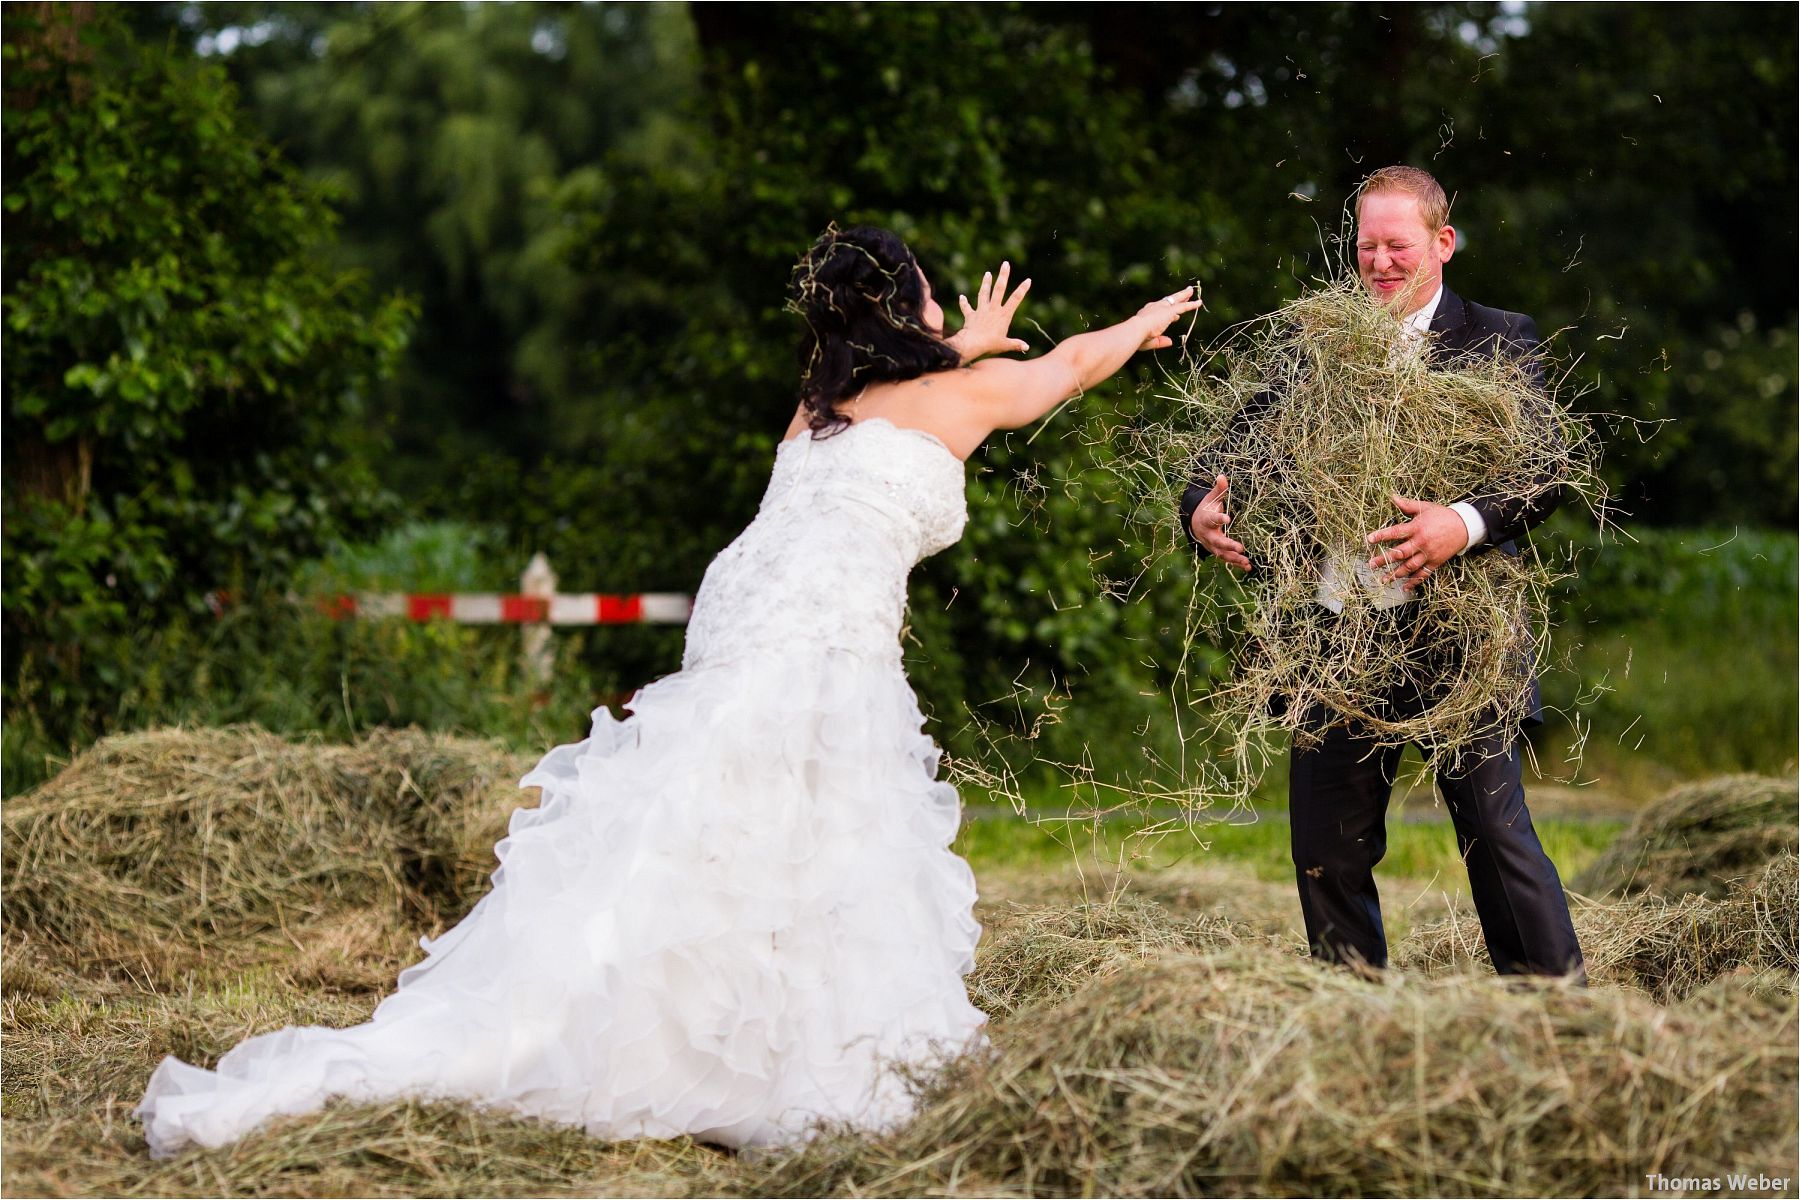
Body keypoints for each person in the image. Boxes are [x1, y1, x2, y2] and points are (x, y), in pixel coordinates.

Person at [135, 224, 1202, 1158]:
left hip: (746, 600)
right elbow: (1067, 366)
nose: (940, 307)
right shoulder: (957, 395)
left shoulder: (819, 406)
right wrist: (1141, 320)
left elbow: (910, 388)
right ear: (902, 309)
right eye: (925, 290)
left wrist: (953, 339)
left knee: (708, 817)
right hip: (816, 626)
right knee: (810, 818)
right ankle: (756, 1040)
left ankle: (681, 1008)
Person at [1178, 166, 1585, 978]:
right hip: (1336, 636)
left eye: (1398, 244)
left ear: (1442, 243)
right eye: (1367, 245)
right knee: (1324, 849)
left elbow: (1546, 472)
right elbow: (1227, 452)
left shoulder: (1500, 336)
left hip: (1459, 634)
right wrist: (1200, 508)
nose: (1380, 261)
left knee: (1496, 838)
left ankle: (1560, 1021)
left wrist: (1458, 525)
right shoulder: (1314, 340)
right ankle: (1354, 1022)